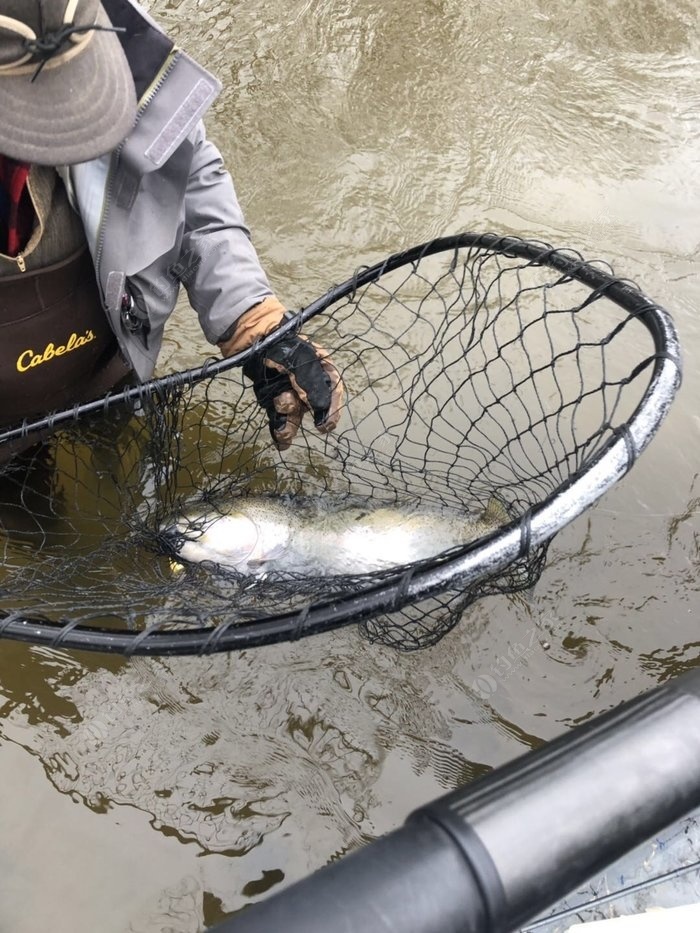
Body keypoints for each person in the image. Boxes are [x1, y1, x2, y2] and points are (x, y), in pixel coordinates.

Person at [0, 0, 343, 453]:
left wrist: (248, 316)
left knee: (115, 483)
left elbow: (180, 167)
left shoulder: (108, 33)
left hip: (108, 370)